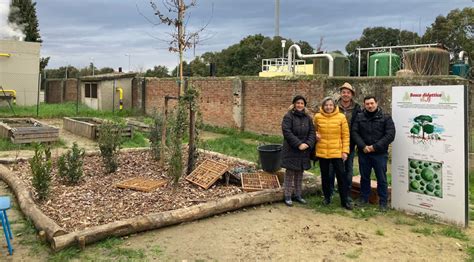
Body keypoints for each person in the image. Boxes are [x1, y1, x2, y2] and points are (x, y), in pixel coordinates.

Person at [351, 96, 396, 211]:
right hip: (364, 152)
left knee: (381, 178)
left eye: (372, 103)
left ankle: (383, 202)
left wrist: (374, 147)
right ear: (364, 105)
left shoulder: (386, 118)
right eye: (367, 104)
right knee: (364, 177)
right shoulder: (359, 117)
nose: (370, 106)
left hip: (379, 154)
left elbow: (390, 135)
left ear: (377, 103)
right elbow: (354, 132)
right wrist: (363, 146)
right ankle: (364, 198)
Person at [313, 97, 352, 210]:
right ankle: (327, 197)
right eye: (326, 105)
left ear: (334, 106)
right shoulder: (317, 117)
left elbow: (345, 135)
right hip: (322, 151)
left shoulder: (341, 117)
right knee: (325, 176)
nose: (328, 107)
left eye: (330, 105)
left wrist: (345, 151)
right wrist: (316, 135)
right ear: (323, 106)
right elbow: (313, 130)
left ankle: (344, 200)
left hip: (337, 152)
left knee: (341, 176)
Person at [328, 82, 361, 202]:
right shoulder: (333, 105)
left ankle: (347, 193)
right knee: (331, 169)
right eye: (343, 92)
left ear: (351, 94)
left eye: (348, 92)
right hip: (333, 143)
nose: (345, 94)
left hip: (349, 143)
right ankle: (330, 192)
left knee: (348, 170)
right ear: (340, 94)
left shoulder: (357, 108)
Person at [281, 95, 316, 207]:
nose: (300, 105)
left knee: (300, 173)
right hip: (292, 149)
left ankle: (298, 194)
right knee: (290, 173)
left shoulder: (308, 118)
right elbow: (287, 131)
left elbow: (312, 132)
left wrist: (307, 144)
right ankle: (287, 195)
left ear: (304, 105)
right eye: (298, 103)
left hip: (304, 150)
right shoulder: (288, 116)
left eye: (302, 103)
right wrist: (298, 144)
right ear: (294, 104)